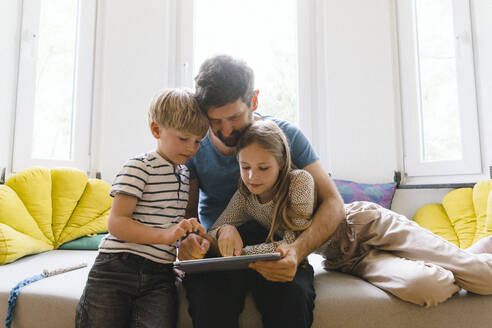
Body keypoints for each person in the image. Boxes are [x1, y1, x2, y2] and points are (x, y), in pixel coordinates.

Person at [180, 55, 346, 328]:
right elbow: (189, 221)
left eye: (234, 117)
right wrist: (191, 242)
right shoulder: (193, 147)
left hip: (280, 244)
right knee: (209, 304)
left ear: (254, 100)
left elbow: (334, 204)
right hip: (221, 248)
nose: (226, 130)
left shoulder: (287, 136)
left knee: (291, 303)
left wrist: (297, 251)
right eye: (215, 121)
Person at [75, 89, 209, 328]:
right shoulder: (139, 167)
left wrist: (190, 237)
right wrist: (166, 236)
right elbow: (116, 223)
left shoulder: (186, 174)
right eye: (183, 138)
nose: (192, 148)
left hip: (160, 275)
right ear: (156, 130)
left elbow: (175, 226)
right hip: (116, 267)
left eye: (198, 141)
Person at [208, 119, 316, 258]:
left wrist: (241, 253)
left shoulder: (299, 181)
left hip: (352, 239)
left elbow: (294, 243)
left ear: (281, 164)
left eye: (263, 168)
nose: (252, 176)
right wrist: (223, 230)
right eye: (245, 167)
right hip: (334, 260)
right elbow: (212, 231)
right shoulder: (246, 196)